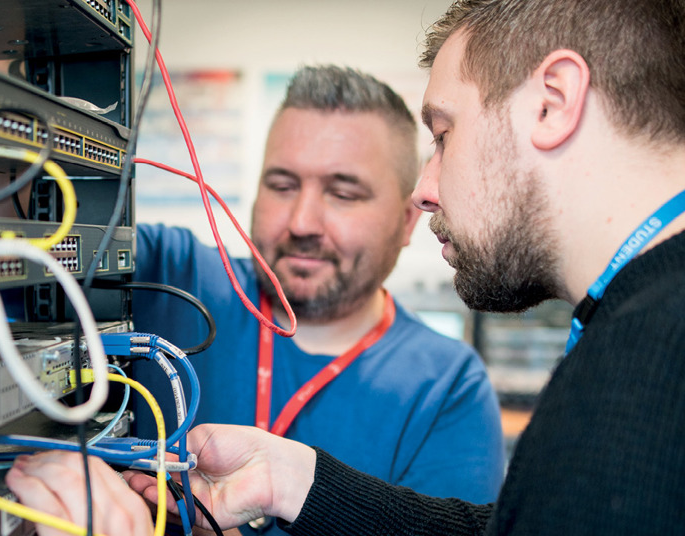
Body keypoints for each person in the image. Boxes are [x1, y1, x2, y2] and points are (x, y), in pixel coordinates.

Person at [8, 0, 685, 534]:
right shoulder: (169, 274)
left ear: (554, 100)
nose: (429, 185)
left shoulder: (645, 364)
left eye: (444, 136)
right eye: (281, 183)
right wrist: (293, 481)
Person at [128, 64, 505, 524]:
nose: (302, 222)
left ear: (407, 221)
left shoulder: (446, 387)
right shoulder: (174, 276)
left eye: (343, 194)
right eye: (282, 186)